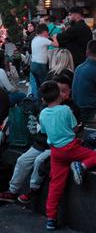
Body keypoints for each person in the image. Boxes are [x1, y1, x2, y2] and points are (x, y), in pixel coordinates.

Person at [0, 74, 81, 205]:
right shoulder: (45, 107)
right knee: (22, 160)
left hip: (56, 146)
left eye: (64, 91)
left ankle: (33, 189)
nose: (59, 95)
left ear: (70, 91)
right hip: (40, 143)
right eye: (57, 91)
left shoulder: (70, 108)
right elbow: (40, 129)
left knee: (39, 161)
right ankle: (12, 190)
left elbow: (75, 128)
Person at [38, 80, 96, 230]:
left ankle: (50, 218)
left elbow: (44, 131)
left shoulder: (42, 113)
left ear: (43, 99)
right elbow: (74, 128)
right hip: (71, 148)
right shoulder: (66, 110)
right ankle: (81, 166)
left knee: (55, 185)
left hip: (56, 152)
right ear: (59, 96)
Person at [29, 23, 52, 99]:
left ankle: (37, 100)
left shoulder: (34, 39)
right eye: (47, 32)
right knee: (44, 84)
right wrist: (54, 37)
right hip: (40, 65)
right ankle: (44, 100)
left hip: (33, 64)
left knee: (37, 85)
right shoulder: (43, 39)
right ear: (44, 31)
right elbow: (56, 44)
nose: (47, 33)